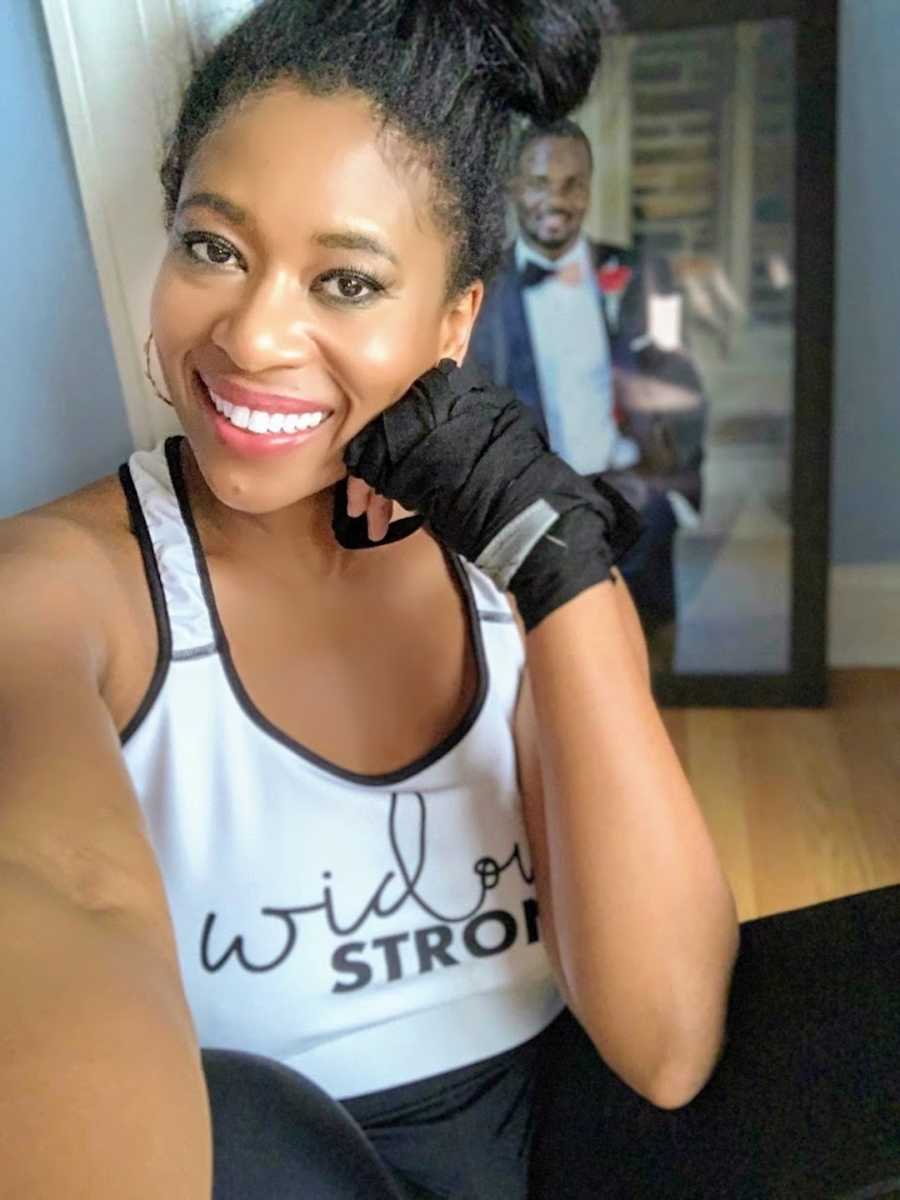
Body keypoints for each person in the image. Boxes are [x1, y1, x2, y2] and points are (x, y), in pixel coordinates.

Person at [0, 2, 740, 1197]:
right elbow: (59, 894)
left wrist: (562, 571)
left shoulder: (503, 575)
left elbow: (665, 1049)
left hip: (565, 1152)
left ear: (455, 321)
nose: (253, 334)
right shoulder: (54, 590)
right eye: (213, 247)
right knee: (234, 1115)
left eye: (345, 281)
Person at [470, 120, 709, 671]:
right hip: (530, 504)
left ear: (590, 188)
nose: (555, 198)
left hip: (630, 494)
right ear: (512, 187)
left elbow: (682, 385)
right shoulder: (481, 288)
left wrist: (669, 491)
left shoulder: (644, 277)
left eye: (573, 183)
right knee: (542, 662)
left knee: (647, 644)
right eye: (539, 182)